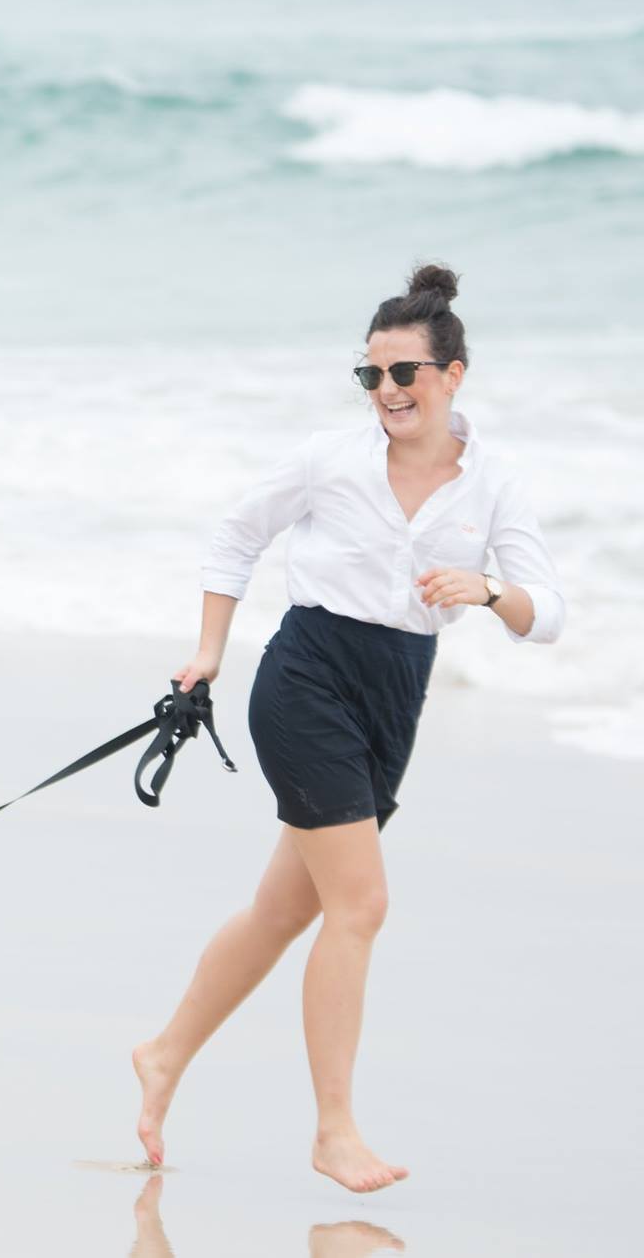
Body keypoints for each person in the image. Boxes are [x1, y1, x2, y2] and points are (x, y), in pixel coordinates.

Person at [131, 265, 563, 1192]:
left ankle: (163, 1053)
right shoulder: (330, 458)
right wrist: (208, 652)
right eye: (371, 375)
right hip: (307, 678)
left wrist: (488, 589)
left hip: (395, 696)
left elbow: (548, 614)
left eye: (404, 372)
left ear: (452, 374)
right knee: (360, 905)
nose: (387, 391)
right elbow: (235, 537)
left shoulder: (494, 482)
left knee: (286, 910)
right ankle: (334, 1131)